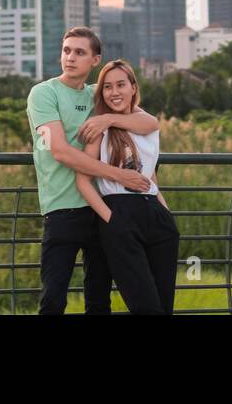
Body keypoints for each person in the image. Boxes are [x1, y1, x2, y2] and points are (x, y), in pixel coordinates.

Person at [27, 27, 159, 314]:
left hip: (101, 209)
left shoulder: (98, 95)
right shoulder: (43, 93)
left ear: (95, 60)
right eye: (66, 50)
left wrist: (108, 118)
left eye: (79, 52)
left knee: (99, 300)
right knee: (53, 299)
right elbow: (60, 151)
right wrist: (120, 175)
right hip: (61, 209)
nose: (70, 58)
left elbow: (150, 123)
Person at [74, 59, 179, 315]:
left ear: (133, 87)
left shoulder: (146, 123)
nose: (114, 92)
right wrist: (111, 219)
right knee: (145, 307)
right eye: (107, 87)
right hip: (119, 215)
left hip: (156, 216)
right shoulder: (99, 128)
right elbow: (82, 180)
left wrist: (165, 213)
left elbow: (151, 175)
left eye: (121, 84)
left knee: (164, 307)